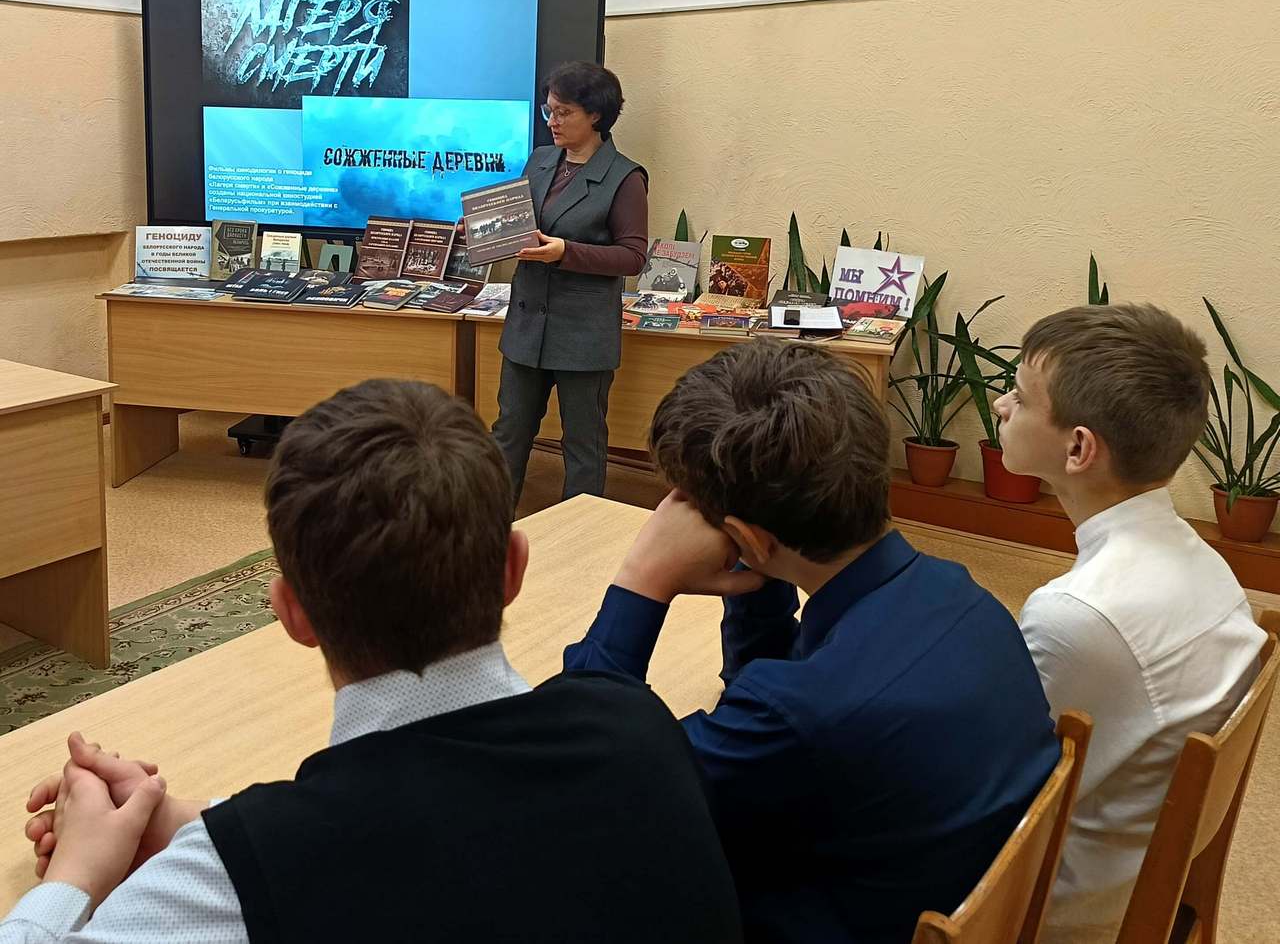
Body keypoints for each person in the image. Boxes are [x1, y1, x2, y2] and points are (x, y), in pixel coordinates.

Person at [8, 380, 742, 943]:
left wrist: (78, 872)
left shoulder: (241, 881)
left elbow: (384, 827)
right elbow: (456, 817)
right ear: (514, 568)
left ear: (291, 613)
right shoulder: (641, 726)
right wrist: (189, 825)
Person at [564, 338, 1061, 943]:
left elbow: (575, 779)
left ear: (747, 537)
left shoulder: (793, 716)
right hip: (912, 889)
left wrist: (642, 580)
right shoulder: (965, 597)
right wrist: (755, 569)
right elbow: (772, 678)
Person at [994, 304, 1266, 942]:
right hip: (1139, 864)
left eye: (1021, 398)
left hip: (1059, 909)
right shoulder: (1208, 563)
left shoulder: (1077, 613)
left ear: (1079, 448)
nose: (1002, 406)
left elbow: (994, 780)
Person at [493, 60, 649, 504]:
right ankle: (488, 529)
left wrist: (566, 251)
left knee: (582, 444)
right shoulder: (540, 160)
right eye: (549, 111)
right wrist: (484, 233)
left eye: (564, 112)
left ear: (595, 114)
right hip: (526, 326)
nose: (552, 122)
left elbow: (633, 257)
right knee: (508, 433)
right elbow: (519, 225)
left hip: (582, 332)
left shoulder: (625, 177)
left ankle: (581, 535)